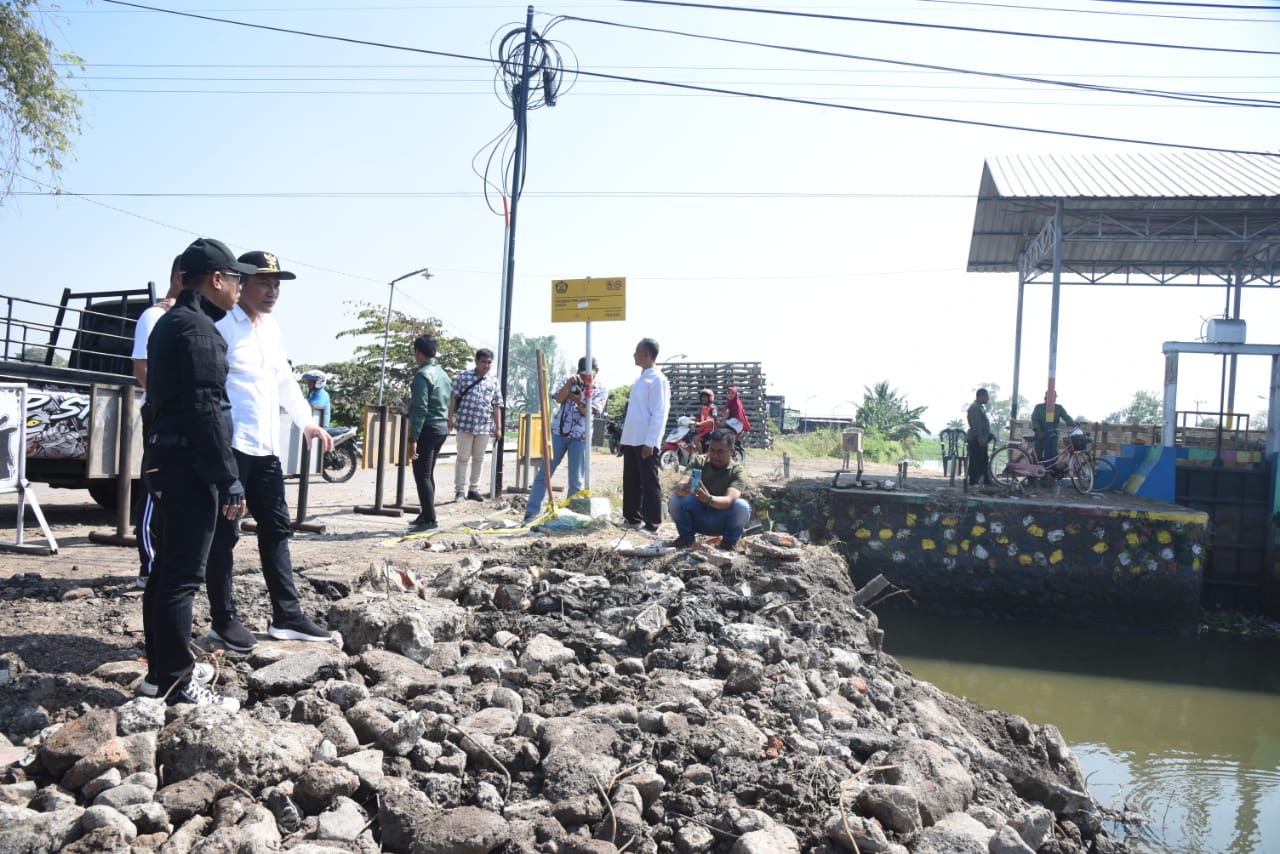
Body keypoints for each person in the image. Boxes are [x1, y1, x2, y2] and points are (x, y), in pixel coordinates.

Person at [141, 237, 256, 709]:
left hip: (167, 461)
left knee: (166, 572)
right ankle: (176, 683)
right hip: (190, 466)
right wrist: (227, 477)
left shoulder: (170, 323)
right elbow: (206, 409)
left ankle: (159, 675)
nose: (239, 288)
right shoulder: (200, 332)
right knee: (183, 577)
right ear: (216, 280)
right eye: (237, 279)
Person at [205, 250, 335, 652]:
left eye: (277, 284)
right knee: (224, 536)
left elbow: (285, 382)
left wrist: (307, 422)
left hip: (265, 449)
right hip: (231, 449)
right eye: (264, 282)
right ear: (240, 282)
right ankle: (223, 620)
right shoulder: (221, 326)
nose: (272, 291)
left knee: (277, 528)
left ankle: (287, 616)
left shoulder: (272, 328)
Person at [130, 254, 183, 590]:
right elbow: (142, 369)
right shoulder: (155, 316)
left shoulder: (197, 318)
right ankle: (149, 567)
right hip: (164, 417)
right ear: (180, 277)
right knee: (155, 489)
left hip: (190, 419)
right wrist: (169, 404)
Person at [523, 357, 607, 523]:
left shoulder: (601, 389)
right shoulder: (569, 380)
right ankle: (531, 512)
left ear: (597, 372)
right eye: (583, 375)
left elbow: (589, 411)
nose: (586, 379)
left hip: (580, 437)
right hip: (558, 433)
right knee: (544, 473)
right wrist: (569, 385)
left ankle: (570, 516)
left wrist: (580, 400)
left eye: (590, 375)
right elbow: (559, 399)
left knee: (576, 480)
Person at [667, 428, 751, 551]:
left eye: (720, 451)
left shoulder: (738, 471)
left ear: (732, 451)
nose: (715, 456)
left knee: (741, 507)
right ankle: (686, 539)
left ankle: (729, 543)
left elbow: (729, 500)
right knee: (676, 500)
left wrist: (708, 499)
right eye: (712, 450)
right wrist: (682, 488)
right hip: (699, 517)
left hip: (720, 520)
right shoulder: (699, 461)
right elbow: (681, 484)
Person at [619, 338, 671, 532]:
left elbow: (659, 413)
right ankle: (632, 518)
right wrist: (624, 440)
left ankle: (652, 522)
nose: (634, 355)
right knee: (631, 480)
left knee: (649, 482)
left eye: (637, 352)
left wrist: (651, 442)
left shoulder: (658, 379)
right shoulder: (641, 378)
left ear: (647, 355)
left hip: (646, 440)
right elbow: (634, 413)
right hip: (632, 438)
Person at [447, 348, 503, 502]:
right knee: (463, 458)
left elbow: (497, 405)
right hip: (464, 424)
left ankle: (474, 489)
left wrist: (498, 427)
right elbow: (453, 398)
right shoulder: (464, 377)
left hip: (484, 426)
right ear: (476, 361)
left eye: (489, 362)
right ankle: (459, 491)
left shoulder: (493, 381)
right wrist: (450, 417)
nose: (486, 365)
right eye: (483, 362)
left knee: (479, 458)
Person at [408, 334, 452, 530]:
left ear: (418, 351)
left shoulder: (422, 375)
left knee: (422, 475)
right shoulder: (443, 374)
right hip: (441, 428)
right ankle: (425, 514)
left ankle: (430, 520)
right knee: (428, 473)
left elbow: (420, 408)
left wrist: (413, 438)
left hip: (427, 428)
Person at [1031, 390, 1075, 462]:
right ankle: (1036, 469)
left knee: (1054, 454)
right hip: (1040, 435)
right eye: (1051, 397)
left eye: (1054, 397)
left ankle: (1052, 470)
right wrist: (1039, 432)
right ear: (1045, 397)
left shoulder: (1059, 408)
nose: (1053, 399)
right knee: (1037, 454)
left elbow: (1066, 417)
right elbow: (1034, 420)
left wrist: (1073, 423)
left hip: (1053, 435)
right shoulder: (1039, 407)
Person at [966, 388, 992, 487]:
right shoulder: (975, 408)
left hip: (981, 438)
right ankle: (973, 481)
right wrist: (980, 437)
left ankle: (984, 479)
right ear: (981, 396)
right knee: (975, 460)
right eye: (987, 396)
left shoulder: (979, 407)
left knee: (983, 459)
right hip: (976, 439)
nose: (988, 398)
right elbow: (976, 424)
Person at [693, 388, 717, 452]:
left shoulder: (713, 408)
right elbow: (698, 417)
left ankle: (701, 456)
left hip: (710, 431)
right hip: (702, 429)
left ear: (710, 397)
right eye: (702, 397)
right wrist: (687, 419)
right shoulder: (702, 408)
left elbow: (712, 420)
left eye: (705, 397)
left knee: (695, 438)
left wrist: (700, 423)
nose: (703, 398)